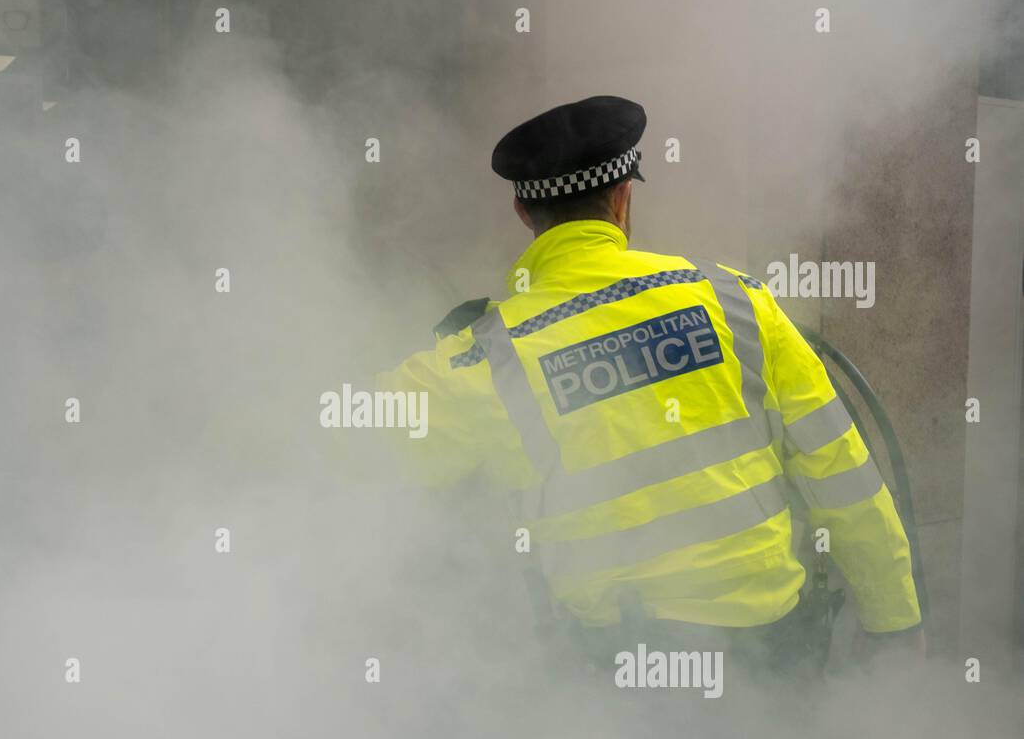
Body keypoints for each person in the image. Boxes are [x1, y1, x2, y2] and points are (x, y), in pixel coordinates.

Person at [376, 96, 924, 674]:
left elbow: (346, 448)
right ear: (623, 196)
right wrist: (894, 618)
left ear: (520, 210)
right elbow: (841, 472)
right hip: (769, 660)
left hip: (620, 683)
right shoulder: (735, 300)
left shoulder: (490, 357)